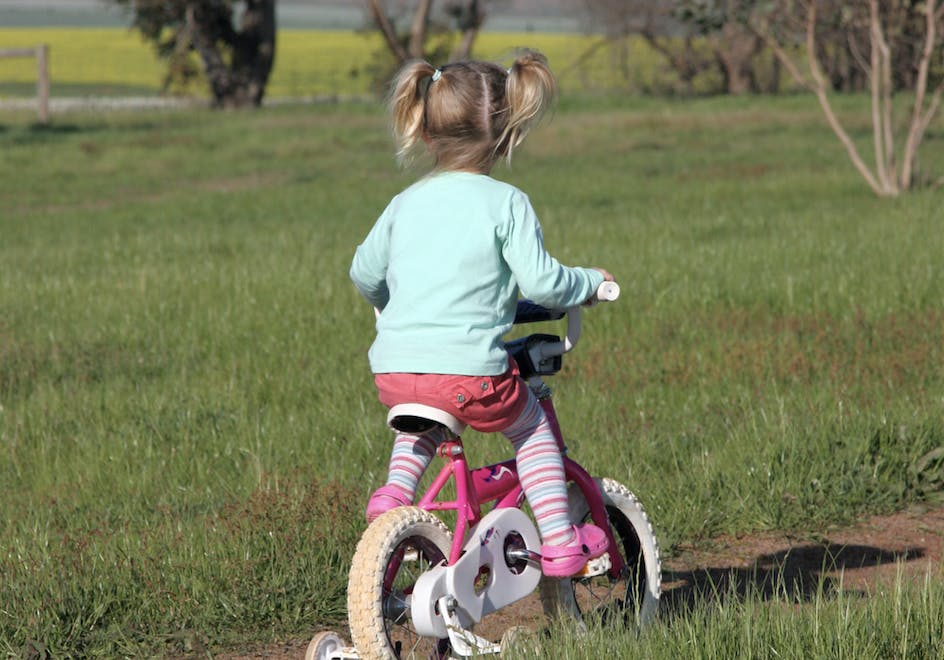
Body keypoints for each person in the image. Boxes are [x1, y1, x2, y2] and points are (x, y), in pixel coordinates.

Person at [349, 50, 614, 578]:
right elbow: (542, 283)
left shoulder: (404, 203)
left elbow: (363, 273)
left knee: (423, 416)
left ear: (426, 132)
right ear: (507, 133)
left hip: (396, 372)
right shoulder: (506, 202)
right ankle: (561, 541)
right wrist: (587, 282)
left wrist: (393, 308)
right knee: (533, 428)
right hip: (471, 375)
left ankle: (395, 495)